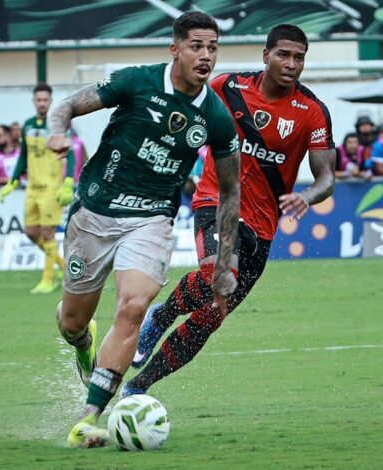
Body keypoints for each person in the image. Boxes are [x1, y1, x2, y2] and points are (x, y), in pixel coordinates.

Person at [45, 12, 241, 448]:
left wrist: (226, 261)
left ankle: (88, 416)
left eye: (212, 47)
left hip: (152, 220)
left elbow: (231, 190)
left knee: (134, 305)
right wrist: (56, 133)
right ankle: (83, 342)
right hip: (94, 214)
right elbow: (67, 106)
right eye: (196, 45)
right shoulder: (136, 81)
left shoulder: (215, 115)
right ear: (175, 49)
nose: (205, 55)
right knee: (72, 322)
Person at [123, 24, 336, 400]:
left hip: (264, 228)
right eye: (283, 55)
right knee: (216, 276)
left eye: (299, 57)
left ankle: (139, 386)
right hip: (216, 200)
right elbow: (185, 121)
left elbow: (327, 178)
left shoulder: (312, 112)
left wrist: (308, 195)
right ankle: (160, 317)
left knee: (212, 315)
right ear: (265, 55)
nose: (291, 64)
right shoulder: (227, 88)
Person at [0, 84, 73, 294]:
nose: (42, 103)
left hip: (52, 188)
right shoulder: (28, 125)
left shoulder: (58, 125)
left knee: (48, 234)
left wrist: (67, 181)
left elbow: (71, 153)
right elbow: (24, 155)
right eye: (38, 100)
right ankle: (62, 265)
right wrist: (12, 181)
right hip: (33, 188)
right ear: (34, 101)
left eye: (45, 100)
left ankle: (48, 280)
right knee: (31, 232)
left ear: (50, 101)